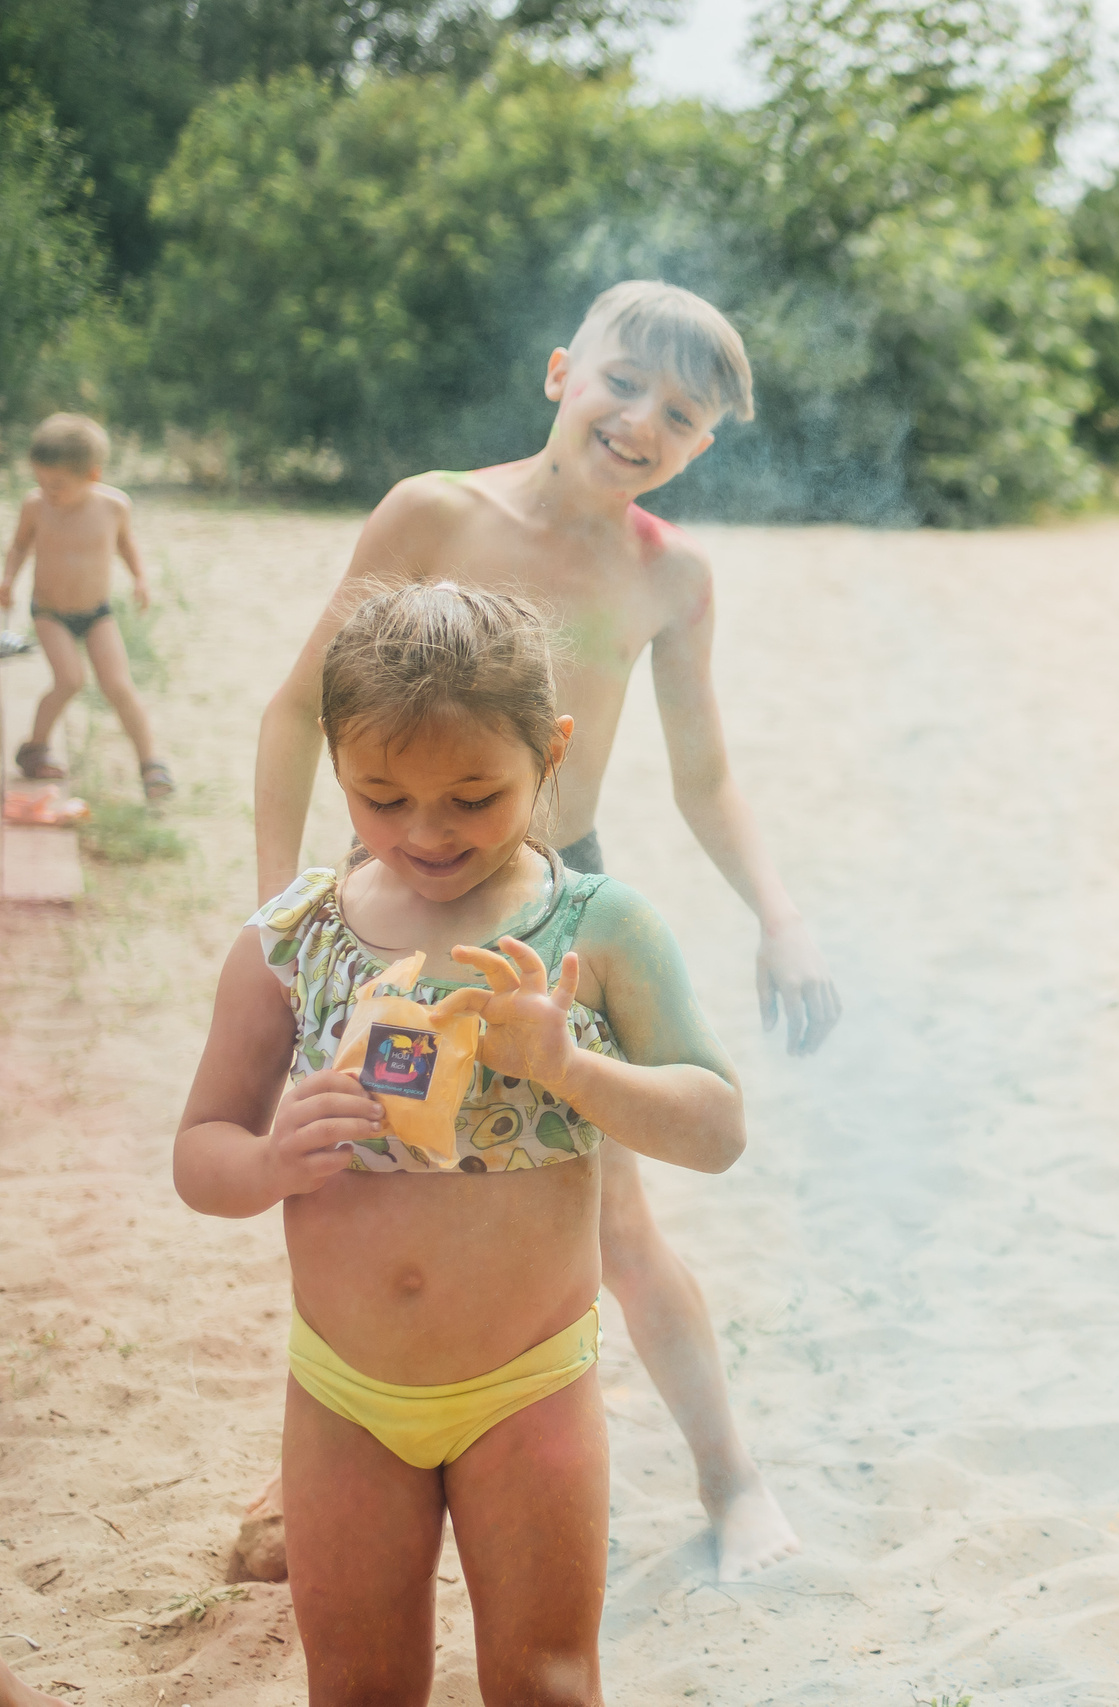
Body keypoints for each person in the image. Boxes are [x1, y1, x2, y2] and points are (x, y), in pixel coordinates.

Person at [251, 280, 826, 1579]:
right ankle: (328, 1463)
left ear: (704, 444)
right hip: (392, 891)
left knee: (612, 1219)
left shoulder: (671, 575)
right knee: (356, 1183)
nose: (643, 420)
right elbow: (297, 708)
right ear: (563, 370)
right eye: (624, 383)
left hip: (554, 909)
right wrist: (281, 913)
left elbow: (704, 777)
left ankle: (732, 1480)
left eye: (681, 413)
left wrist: (779, 915)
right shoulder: (433, 511)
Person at [179, 583, 747, 1701]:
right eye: (381, 797)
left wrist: (572, 1069)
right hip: (343, 1393)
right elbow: (201, 1150)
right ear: (336, 757)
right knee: (358, 1686)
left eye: (474, 798)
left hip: (529, 1390)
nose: (427, 834)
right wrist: (272, 1160)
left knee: (546, 1681)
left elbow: (718, 1125)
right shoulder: (295, 939)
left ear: (552, 753)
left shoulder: (599, 928)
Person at [3, 413, 171, 799]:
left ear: (92, 475)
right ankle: (35, 748)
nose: (47, 491)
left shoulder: (114, 507)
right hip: (50, 613)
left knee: (118, 685)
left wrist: (140, 577)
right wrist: (8, 577)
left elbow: (126, 544)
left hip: (97, 613)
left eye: (57, 485)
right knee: (69, 680)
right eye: (40, 481)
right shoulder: (36, 506)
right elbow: (20, 545)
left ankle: (151, 764)